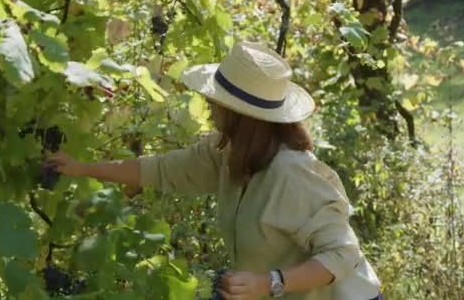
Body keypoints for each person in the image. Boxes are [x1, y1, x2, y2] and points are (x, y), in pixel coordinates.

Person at [46, 41, 382, 299]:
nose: (209, 107)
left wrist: (270, 283)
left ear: (240, 114)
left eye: (215, 102)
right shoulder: (228, 152)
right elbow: (161, 170)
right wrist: (82, 168)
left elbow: (342, 254)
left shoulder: (292, 173)